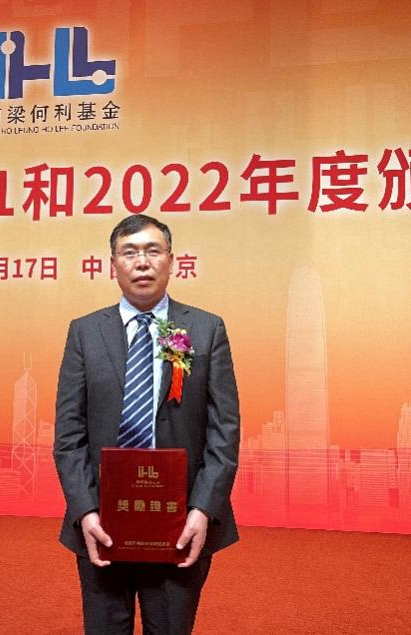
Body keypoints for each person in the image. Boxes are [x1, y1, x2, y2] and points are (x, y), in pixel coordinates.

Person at [54, 214, 240, 634]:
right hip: (103, 522)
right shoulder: (84, 332)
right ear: (113, 264)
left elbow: (224, 431)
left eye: (153, 251)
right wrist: (85, 511)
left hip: (179, 522)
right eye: (129, 252)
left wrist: (202, 510)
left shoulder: (205, 329)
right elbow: (68, 434)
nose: (142, 262)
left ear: (171, 261)